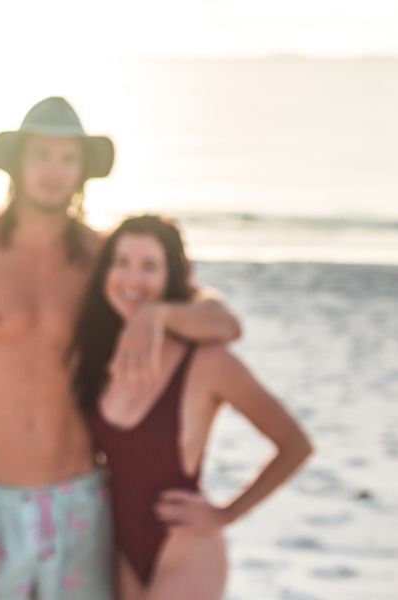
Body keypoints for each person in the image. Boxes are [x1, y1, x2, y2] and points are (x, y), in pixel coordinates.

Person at [0, 97, 243, 600]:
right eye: (42, 155)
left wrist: (160, 314)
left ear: (83, 171)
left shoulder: (104, 258)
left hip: (84, 502)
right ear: (19, 161)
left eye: (68, 158)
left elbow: (221, 321)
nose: (54, 170)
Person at [70, 215, 313, 600]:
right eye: (121, 262)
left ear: (172, 276)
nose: (132, 279)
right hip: (120, 552)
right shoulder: (100, 353)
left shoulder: (207, 361)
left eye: (149, 266)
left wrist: (226, 513)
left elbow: (295, 444)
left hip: (185, 551)